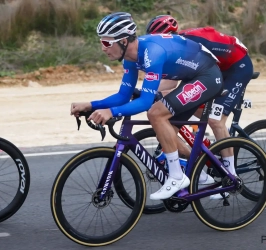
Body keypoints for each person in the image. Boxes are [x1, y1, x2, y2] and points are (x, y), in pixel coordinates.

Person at [70, 12, 224, 200]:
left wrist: (110, 112)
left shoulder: (152, 53)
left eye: (106, 43)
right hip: (191, 76)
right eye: (102, 42)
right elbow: (123, 95)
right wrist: (91, 105)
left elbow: (144, 102)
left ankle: (177, 176)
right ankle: (201, 175)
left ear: (124, 41)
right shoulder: (130, 58)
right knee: (166, 128)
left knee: (156, 113)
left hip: (207, 76)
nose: (103, 48)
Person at [146, 15, 254, 198]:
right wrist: (144, 92)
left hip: (237, 66)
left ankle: (230, 176)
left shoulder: (187, 44)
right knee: (169, 126)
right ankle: (198, 168)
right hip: (210, 70)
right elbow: (168, 83)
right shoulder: (173, 48)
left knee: (215, 119)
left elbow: (170, 85)